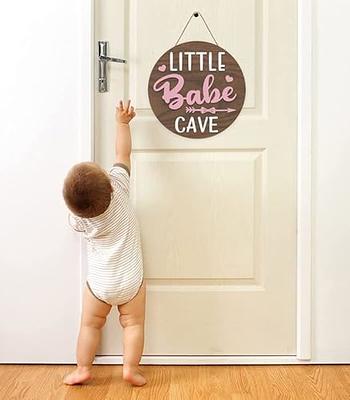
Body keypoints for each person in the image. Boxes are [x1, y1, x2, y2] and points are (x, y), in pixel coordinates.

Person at [62, 100, 146, 386]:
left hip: (100, 284)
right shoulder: (119, 187)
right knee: (133, 324)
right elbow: (123, 153)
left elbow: (74, 222)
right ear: (109, 184)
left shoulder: (81, 220)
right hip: (131, 280)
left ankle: (83, 368)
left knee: (89, 324)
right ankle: (131, 369)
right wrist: (122, 123)